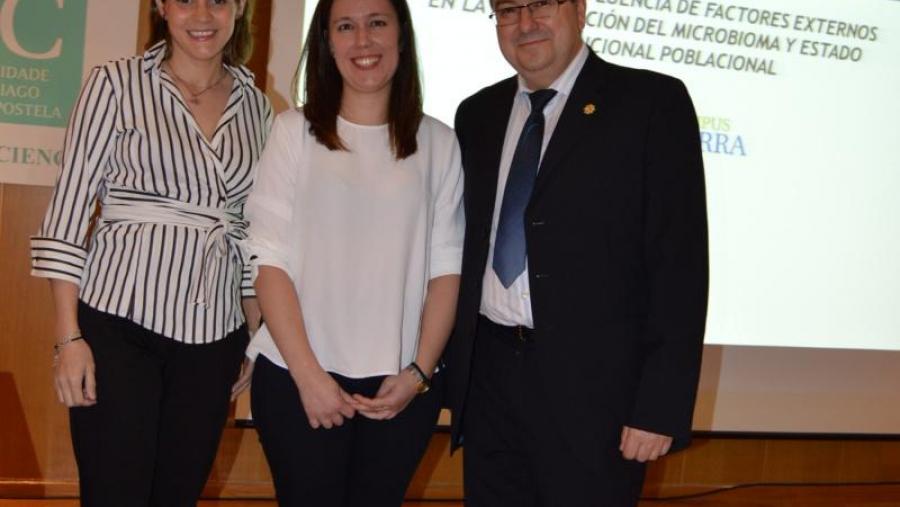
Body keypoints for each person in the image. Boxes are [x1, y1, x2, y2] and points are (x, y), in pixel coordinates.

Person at [444, 0, 709, 504]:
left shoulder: (651, 103)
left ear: (580, 9)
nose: (525, 23)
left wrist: (659, 407)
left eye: (541, 3)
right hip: (490, 383)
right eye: (508, 10)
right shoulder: (476, 114)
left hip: (597, 398)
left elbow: (680, 266)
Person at [30, 1, 271, 505]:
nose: (202, 15)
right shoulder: (114, 84)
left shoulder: (257, 105)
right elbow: (69, 210)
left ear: (240, 6)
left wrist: (253, 331)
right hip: (119, 326)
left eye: (219, 0)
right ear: (162, 6)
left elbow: (251, 230)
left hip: (213, 337)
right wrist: (68, 338)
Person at [235, 0, 464, 503]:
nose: (363, 41)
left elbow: (446, 272)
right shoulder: (293, 132)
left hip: (400, 388)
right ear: (326, 43)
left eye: (377, 23)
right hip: (299, 378)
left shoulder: (440, 143)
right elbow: (268, 261)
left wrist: (419, 375)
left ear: (401, 36)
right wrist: (310, 378)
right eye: (345, 26)